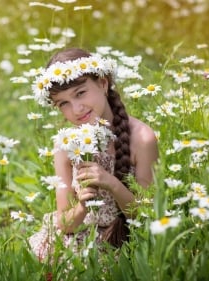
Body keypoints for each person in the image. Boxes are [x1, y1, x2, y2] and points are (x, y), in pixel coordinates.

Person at [28, 47, 159, 262]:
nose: (77, 109)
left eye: (80, 93)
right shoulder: (66, 146)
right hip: (82, 236)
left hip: (129, 237)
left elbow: (146, 216)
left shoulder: (142, 139)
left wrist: (112, 184)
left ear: (103, 83)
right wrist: (81, 207)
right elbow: (64, 224)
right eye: (64, 103)